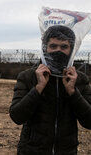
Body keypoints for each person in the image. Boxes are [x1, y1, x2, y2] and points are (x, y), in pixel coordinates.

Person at [10, 25, 91, 155]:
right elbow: (17, 116)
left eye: (64, 47)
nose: (58, 50)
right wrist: (38, 88)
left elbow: (89, 121)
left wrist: (73, 92)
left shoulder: (80, 79)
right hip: (32, 151)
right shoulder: (28, 76)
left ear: (71, 49)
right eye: (53, 46)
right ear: (45, 48)